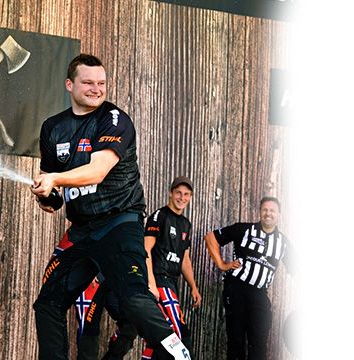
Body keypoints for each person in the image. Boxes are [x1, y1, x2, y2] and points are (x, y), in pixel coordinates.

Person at [31, 54, 188, 360]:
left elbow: (97, 171)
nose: (96, 89)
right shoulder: (53, 128)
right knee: (48, 303)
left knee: (132, 300)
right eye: (88, 82)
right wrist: (45, 194)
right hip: (81, 231)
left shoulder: (114, 119)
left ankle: (179, 354)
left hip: (119, 224)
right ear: (69, 84)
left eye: (101, 83)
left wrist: (54, 179)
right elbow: (56, 195)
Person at [101, 176, 203, 360]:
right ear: (171, 193)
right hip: (158, 281)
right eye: (178, 193)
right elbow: (145, 250)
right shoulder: (159, 216)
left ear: (191, 196)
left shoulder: (186, 224)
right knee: (178, 334)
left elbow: (185, 260)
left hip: (172, 283)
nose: (182, 197)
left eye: (186, 194)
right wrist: (151, 283)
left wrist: (194, 287)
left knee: (156, 335)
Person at [204, 196, 291, 360]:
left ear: (278, 214)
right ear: (260, 212)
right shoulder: (244, 230)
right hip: (237, 289)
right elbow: (211, 238)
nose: (268, 214)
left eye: (272, 210)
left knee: (259, 344)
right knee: (235, 341)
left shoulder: (283, 243)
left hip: (260, 294)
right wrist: (222, 264)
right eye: (265, 209)